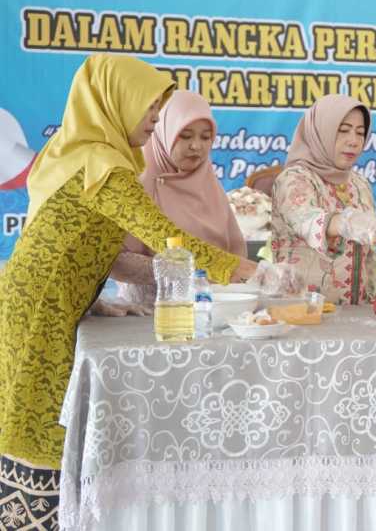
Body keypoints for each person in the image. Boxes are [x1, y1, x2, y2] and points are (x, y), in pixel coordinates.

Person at [0, 54, 258, 527]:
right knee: (35, 428)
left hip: (35, 301)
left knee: (26, 419)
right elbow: (165, 236)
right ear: (115, 101)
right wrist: (237, 268)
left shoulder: (75, 152)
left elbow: (66, 241)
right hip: (39, 313)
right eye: (148, 108)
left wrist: (89, 294)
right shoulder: (103, 166)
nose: (154, 120)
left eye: (158, 110)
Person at [109, 90, 247, 306]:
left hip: (213, 308)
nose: (196, 146)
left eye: (205, 137)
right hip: (151, 312)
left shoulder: (208, 184)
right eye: (185, 136)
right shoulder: (135, 184)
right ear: (163, 132)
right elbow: (114, 261)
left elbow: (236, 251)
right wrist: (182, 271)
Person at [270, 94, 376, 305]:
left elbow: (368, 261)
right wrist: (344, 223)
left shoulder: (360, 184)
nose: (353, 141)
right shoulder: (294, 179)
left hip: (356, 316)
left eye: (360, 133)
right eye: (343, 130)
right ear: (321, 132)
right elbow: (305, 218)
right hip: (301, 312)